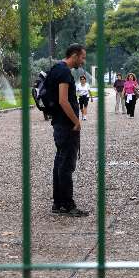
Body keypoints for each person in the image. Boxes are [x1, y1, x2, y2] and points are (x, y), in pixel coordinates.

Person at [47, 43, 89, 217]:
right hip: (66, 125)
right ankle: (67, 204)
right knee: (66, 165)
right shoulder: (64, 72)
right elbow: (63, 100)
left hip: (58, 123)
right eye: (82, 57)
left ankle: (58, 203)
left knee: (60, 162)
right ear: (74, 55)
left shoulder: (55, 68)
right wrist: (76, 121)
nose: (83, 61)